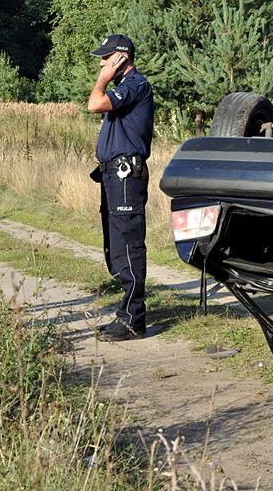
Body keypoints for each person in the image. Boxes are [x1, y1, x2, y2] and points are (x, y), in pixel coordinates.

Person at [87, 34, 154, 341]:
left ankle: (132, 320)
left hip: (126, 175)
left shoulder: (135, 86)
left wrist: (103, 79)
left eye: (105, 58)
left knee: (128, 246)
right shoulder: (124, 89)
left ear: (120, 59)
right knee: (116, 249)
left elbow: (94, 104)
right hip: (115, 176)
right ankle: (127, 312)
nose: (101, 63)